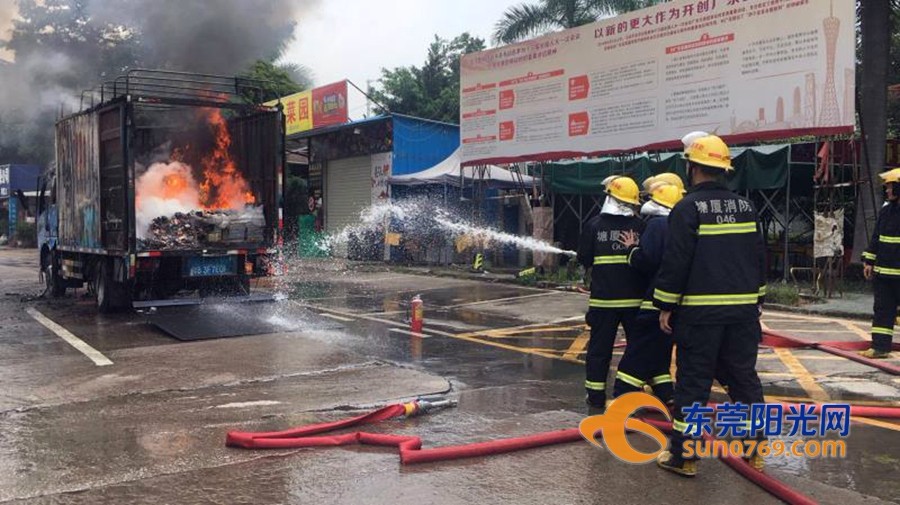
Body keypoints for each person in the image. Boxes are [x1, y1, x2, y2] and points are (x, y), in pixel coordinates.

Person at [652, 134, 767, 477]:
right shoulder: (747, 207)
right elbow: (759, 257)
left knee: (693, 384)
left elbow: (676, 262)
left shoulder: (687, 209)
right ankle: (756, 451)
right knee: (745, 381)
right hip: (744, 315)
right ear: (723, 170)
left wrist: (665, 304)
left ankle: (684, 457)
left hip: (700, 317)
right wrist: (756, 299)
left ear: (692, 167)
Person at [577, 175, 647, 409]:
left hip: (603, 302)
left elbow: (584, 258)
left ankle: (595, 396)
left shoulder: (594, 226)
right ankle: (630, 394)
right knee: (637, 349)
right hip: (634, 303)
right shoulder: (640, 227)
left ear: (610, 197)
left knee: (599, 351)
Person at [613, 181, 683, 405]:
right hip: (677, 307)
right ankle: (667, 395)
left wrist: (632, 249)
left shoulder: (657, 226)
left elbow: (647, 261)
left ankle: (621, 401)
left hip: (655, 305)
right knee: (659, 355)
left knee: (636, 355)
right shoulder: (683, 225)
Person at [861, 167, 900, 359]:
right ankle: (880, 347)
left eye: (891, 187)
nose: (887, 190)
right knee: (883, 310)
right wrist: (869, 260)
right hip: (884, 273)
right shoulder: (886, 210)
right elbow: (876, 238)